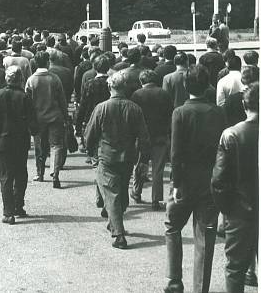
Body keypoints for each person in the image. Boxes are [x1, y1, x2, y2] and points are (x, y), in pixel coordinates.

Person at [164, 65, 226, 293]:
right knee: (205, 238)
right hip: (210, 182)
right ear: (207, 84)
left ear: (185, 85)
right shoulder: (218, 112)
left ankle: (174, 280)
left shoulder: (180, 113)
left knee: (172, 227)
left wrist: (176, 184)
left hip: (185, 181)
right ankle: (201, 288)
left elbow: (176, 153)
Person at [84, 71, 150, 249]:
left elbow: (90, 134)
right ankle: (115, 221)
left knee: (112, 193)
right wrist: (144, 158)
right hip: (128, 156)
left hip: (107, 155)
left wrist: (90, 151)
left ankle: (119, 234)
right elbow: (144, 137)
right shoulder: (134, 108)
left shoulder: (102, 108)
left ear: (110, 87)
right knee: (121, 190)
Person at [211, 83, 258, 293]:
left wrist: (226, 209)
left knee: (235, 268)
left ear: (243, 105)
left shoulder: (231, 134)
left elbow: (219, 180)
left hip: (240, 210)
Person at [0, 66, 36, 224]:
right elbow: (32, 121)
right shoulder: (24, 97)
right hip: (20, 141)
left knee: (6, 177)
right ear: (20, 79)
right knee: (21, 174)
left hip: (2, 141)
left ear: (7, 79)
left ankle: (8, 212)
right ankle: (18, 205)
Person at [129, 70, 173, 211]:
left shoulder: (136, 95)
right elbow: (170, 114)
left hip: (142, 136)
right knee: (157, 169)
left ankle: (137, 191)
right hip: (160, 135)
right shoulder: (164, 94)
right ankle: (156, 199)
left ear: (142, 81)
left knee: (140, 165)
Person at [25, 52, 68, 188]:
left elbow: (28, 102)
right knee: (56, 146)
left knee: (39, 147)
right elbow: (62, 100)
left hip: (38, 118)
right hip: (55, 117)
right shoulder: (54, 79)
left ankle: (40, 173)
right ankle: (55, 173)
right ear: (48, 62)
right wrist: (66, 116)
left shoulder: (31, 80)